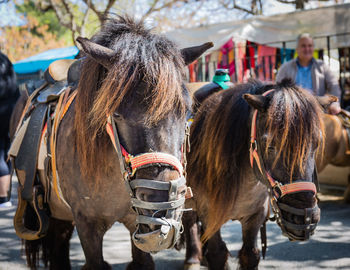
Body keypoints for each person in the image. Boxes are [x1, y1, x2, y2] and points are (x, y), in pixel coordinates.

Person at [276, 33, 342, 115]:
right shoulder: (285, 68)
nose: (307, 49)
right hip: (293, 114)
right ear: (297, 49)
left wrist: (334, 103)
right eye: (303, 46)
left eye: (310, 46)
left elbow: (334, 85)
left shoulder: (322, 66)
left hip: (318, 112)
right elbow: (277, 90)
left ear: (313, 48)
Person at [0, 51, 18, 208]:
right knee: (8, 151)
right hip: (13, 109)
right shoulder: (5, 59)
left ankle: (3, 198)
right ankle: (6, 196)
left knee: (1, 154)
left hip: (2, 110)